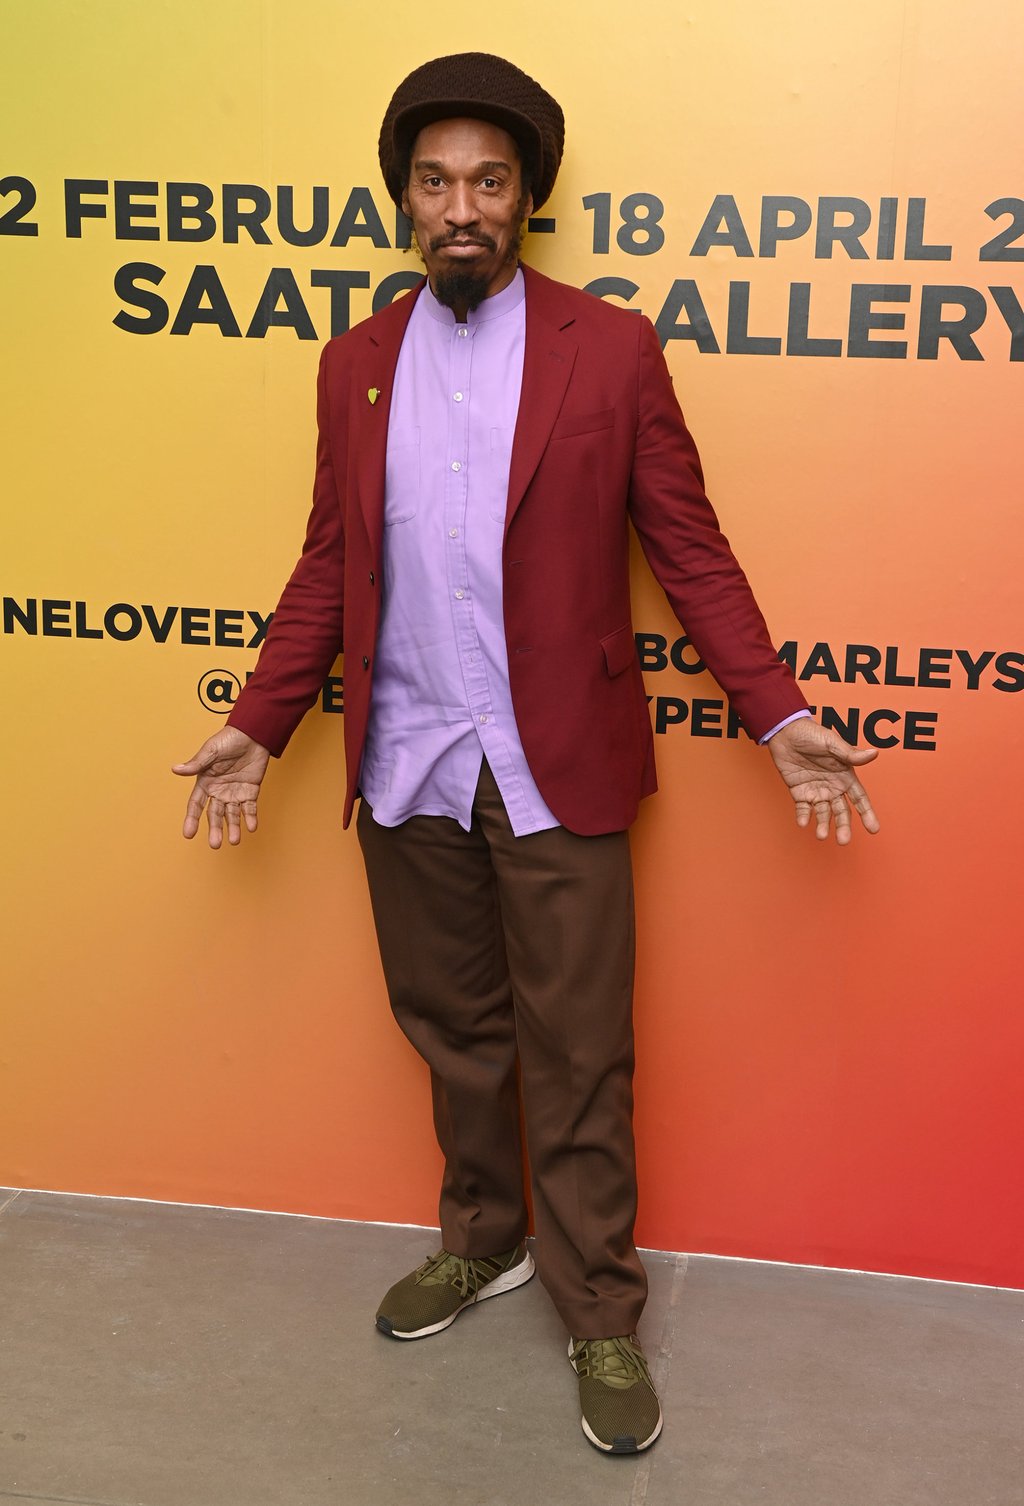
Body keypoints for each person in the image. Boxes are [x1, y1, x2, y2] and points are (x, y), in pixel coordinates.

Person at [173, 52, 879, 1455]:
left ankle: (600, 1310)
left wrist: (778, 713)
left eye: (488, 181)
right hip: (406, 755)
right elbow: (330, 560)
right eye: (434, 182)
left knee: (578, 1045)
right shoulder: (355, 363)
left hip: (552, 754)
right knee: (452, 1027)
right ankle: (481, 1237)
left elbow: (689, 548)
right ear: (403, 203)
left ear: (527, 199)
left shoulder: (609, 348)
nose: (460, 206)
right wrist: (258, 723)